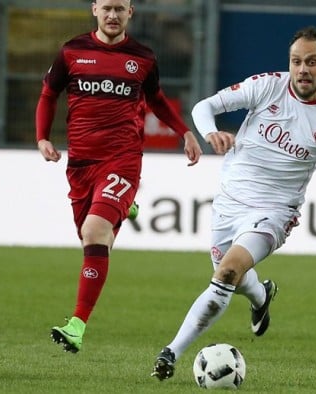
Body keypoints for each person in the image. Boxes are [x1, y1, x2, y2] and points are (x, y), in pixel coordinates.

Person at [150, 26, 316, 381]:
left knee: (225, 272)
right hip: (229, 202)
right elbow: (204, 107)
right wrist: (211, 132)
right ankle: (261, 295)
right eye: (296, 61)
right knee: (235, 278)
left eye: (311, 62)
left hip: (275, 212)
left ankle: (170, 353)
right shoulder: (267, 85)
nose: (302, 69)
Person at [36, 0, 202, 353]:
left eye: (120, 9)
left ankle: (77, 326)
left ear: (131, 14)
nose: (113, 15)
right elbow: (49, 94)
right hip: (81, 164)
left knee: (95, 230)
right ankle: (125, 206)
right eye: (107, 8)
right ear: (94, 9)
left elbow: (156, 99)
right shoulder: (72, 51)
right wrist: (43, 137)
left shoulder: (143, 58)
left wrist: (184, 132)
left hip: (122, 160)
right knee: (93, 239)